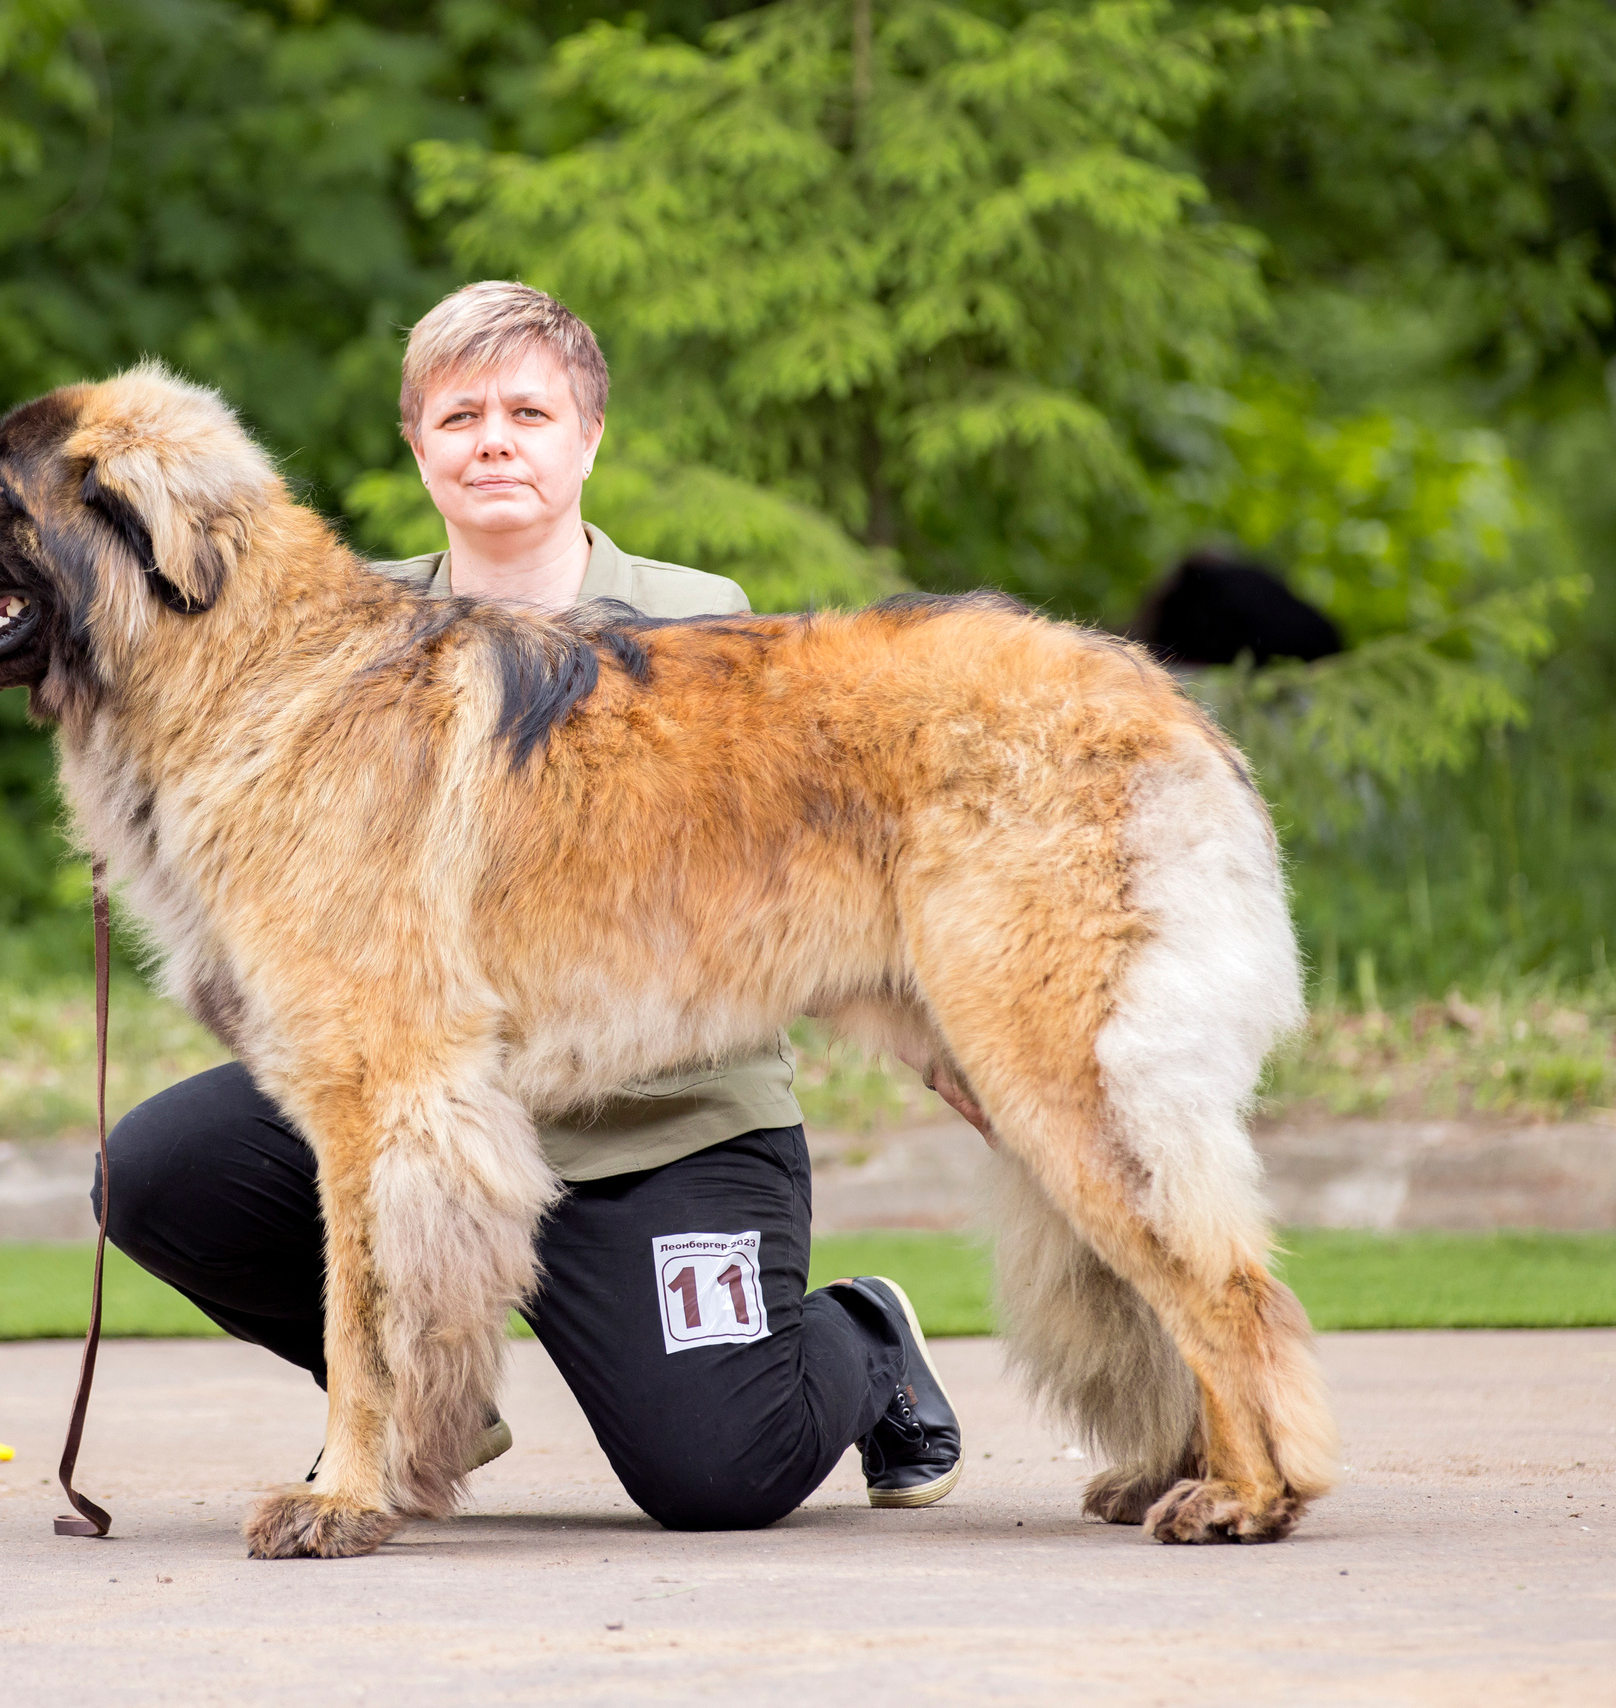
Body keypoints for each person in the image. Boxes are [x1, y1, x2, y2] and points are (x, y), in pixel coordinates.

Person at [96, 281, 965, 1532]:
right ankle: (414, 1402)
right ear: (417, 447)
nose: (492, 437)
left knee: (721, 1474)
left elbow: (807, 894)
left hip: (658, 1130)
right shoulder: (334, 629)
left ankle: (862, 1338)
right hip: (426, 1102)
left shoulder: (699, 622)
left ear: (587, 437)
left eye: (526, 410)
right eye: (457, 415)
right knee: (159, 1170)